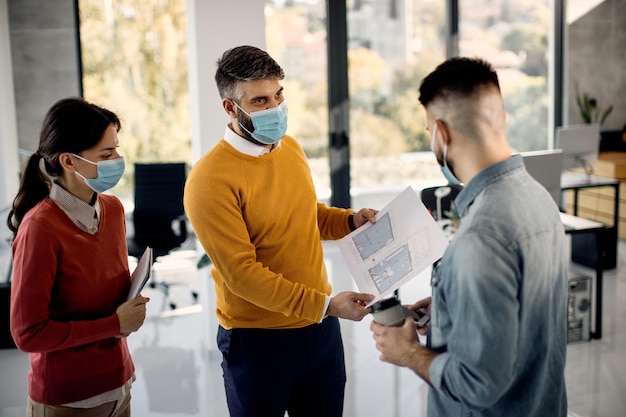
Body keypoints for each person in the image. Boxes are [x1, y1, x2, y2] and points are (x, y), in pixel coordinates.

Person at [183, 45, 376, 417]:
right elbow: (242, 274)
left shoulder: (289, 148)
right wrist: (324, 305)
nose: (275, 108)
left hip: (319, 331)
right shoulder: (209, 180)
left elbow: (307, 216)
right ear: (230, 108)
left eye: (278, 95)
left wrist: (352, 220)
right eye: (260, 100)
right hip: (258, 343)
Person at [370, 57, 569, 417]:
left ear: (441, 133)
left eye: (429, 130)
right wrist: (449, 306)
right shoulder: (538, 196)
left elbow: (479, 383)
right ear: (500, 117)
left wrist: (409, 353)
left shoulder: (481, 236)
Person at [7, 97, 150, 417]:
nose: (118, 159)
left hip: (119, 385)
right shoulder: (40, 228)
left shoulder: (113, 210)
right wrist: (115, 323)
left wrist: (131, 303)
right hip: (68, 401)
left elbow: (102, 289)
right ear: (69, 162)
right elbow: (28, 333)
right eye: (107, 153)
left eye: (117, 149)